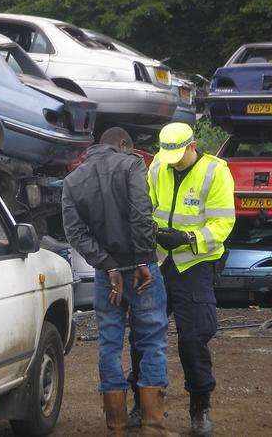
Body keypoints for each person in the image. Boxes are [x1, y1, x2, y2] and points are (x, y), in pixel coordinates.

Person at [62, 127, 170, 436]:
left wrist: (108, 265)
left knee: (109, 343)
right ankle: (152, 424)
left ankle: (117, 424)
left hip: (106, 275)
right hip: (141, 269)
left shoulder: (73, 180)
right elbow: (141, 213)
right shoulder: (132, 164)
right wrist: (140, 260)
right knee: (152, 341)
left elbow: (75, 233)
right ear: (123, 145)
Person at [129, 122, 235, 436]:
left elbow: (222, 224)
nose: (172, 161)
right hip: (159, 262)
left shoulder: (215, 172)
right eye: (168, 155)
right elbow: (144, 208)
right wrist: (152, 234)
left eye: (178, 155)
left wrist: (188, 238)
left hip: (195, 266)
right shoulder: (158, 166)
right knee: (143, 336)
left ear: (192, 146)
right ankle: (142, 404)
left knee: (193, 339)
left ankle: (200, 410)